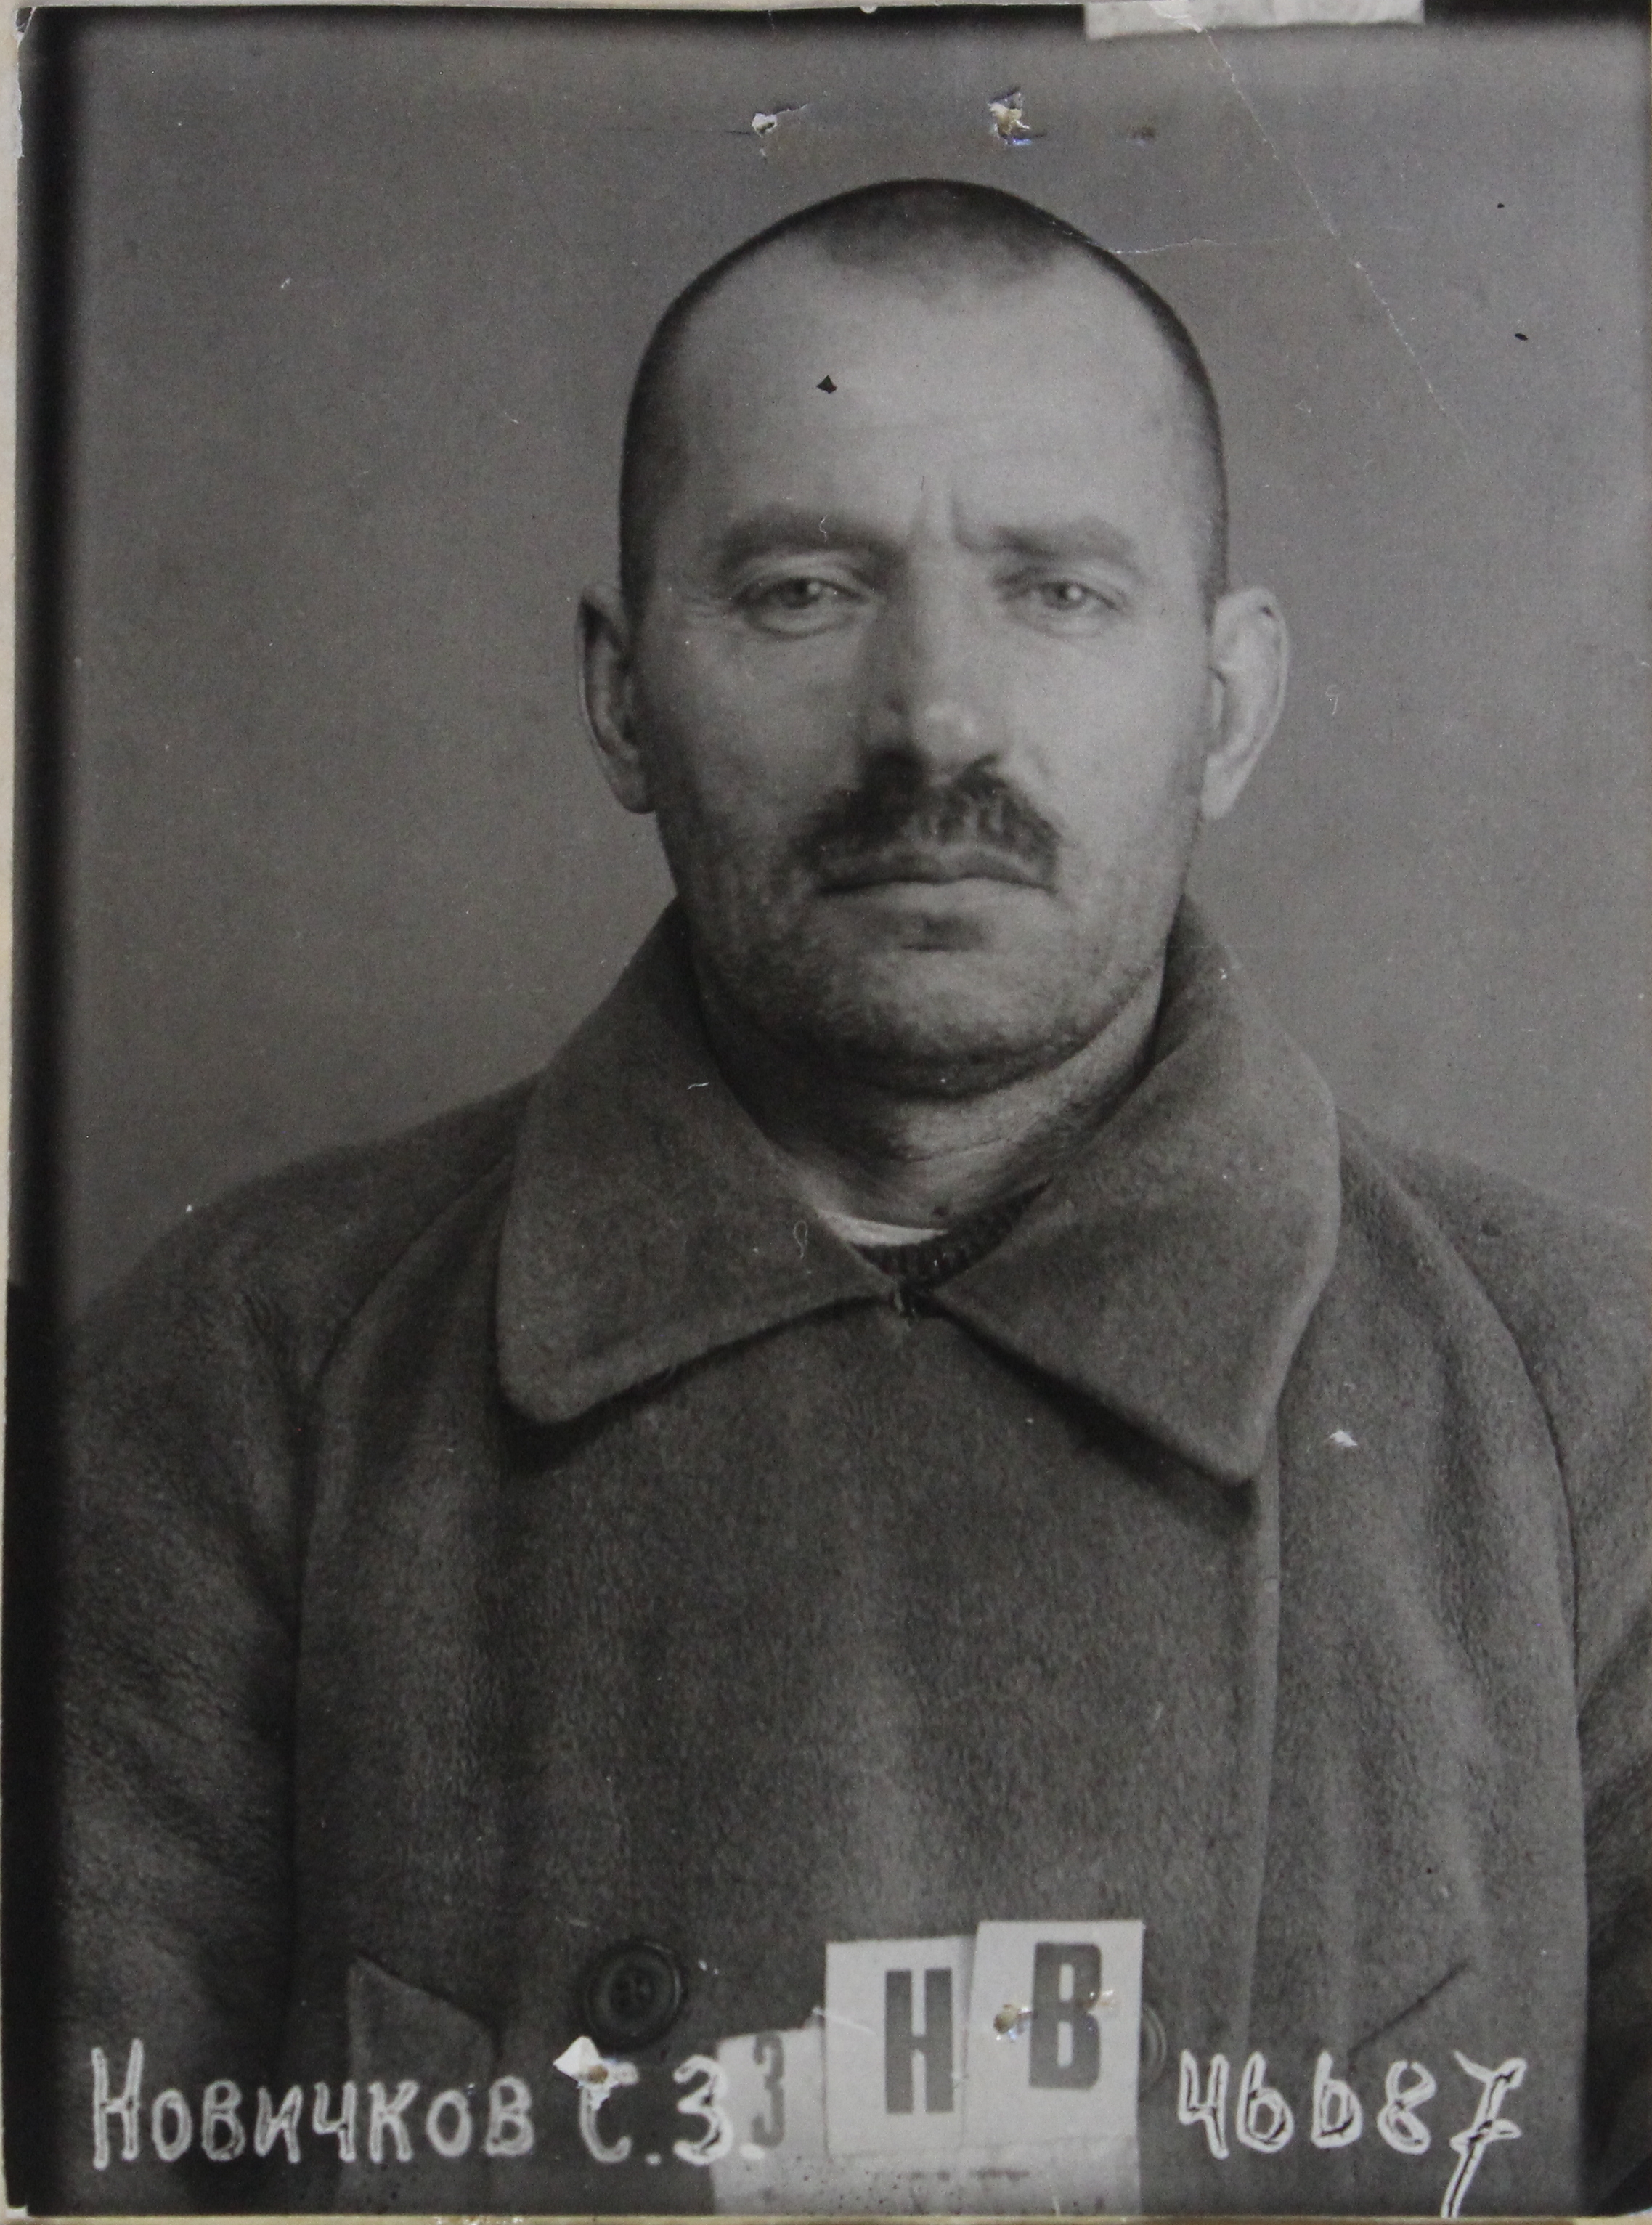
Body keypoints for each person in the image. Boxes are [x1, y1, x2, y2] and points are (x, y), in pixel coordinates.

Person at [44, 179, 1648, 2218]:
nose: (934, 717)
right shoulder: (233, 1388)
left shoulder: (1594, 1413)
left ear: (1227, 704)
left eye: (1057, 590)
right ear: (622, 695)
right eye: (804, 589)